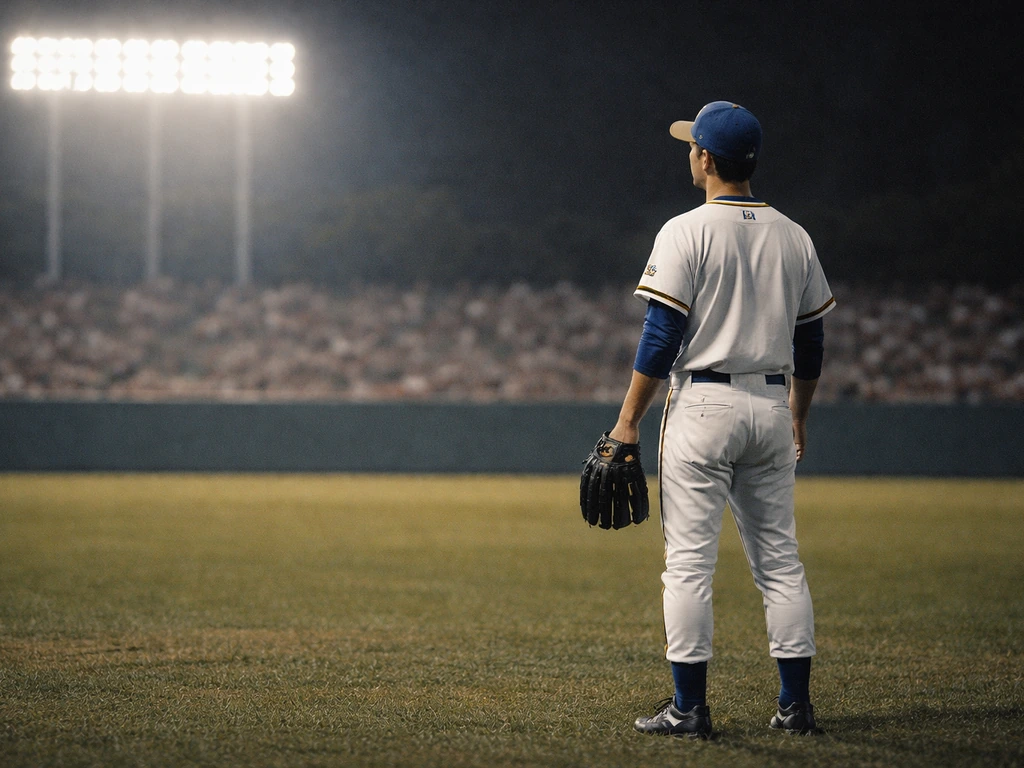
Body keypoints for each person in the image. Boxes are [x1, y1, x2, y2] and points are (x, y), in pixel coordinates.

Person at [614, 101, 835, 739]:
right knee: (780, 561)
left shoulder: (685, 231)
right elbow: (811, 346)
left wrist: (627, 422)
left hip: (703, 405)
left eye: (693, 147)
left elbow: (660, 339)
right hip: (769, 403)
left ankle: (689, 708)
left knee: (688, 563)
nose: (689, 155)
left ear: (707, 159)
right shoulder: (795, 235)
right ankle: (796, 706)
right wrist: (796, 416)